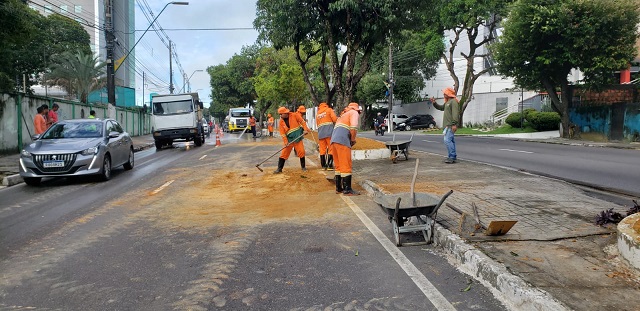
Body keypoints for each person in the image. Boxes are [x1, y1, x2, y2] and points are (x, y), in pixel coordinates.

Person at [330, 102, 362, 195]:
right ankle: (347, 189)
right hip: (342, 140)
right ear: (357, 109)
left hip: (334, 140)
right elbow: (353, 127)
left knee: (339, 165)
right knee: (346, 164)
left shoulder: (343, 115)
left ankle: (338, 188)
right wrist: (352, 139)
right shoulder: (353, 112)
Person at [274, 107, 310, 174]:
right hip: (289, 140)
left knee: (301, 151)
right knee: (284, 153)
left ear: (285, 113)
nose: (280, 116)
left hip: (297, 138)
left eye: (281, 114)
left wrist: (305, 129)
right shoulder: (281, 122)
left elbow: (303, 122)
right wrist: (286, 142)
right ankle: (279, 168)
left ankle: (303, 167)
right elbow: (282, 133)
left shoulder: (294, 115)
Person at [430, 87, 461, 163]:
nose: (444, 94)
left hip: (450, 125)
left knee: (447, 140)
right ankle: (453, 156)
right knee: (451, 141)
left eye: (445, 93)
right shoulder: (447, 102)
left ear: (448, 94)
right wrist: (434, 103)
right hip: (448, 126)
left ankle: (452, 157)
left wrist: (454, 124)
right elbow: (440, 108)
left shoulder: (453, 101)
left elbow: (455, 114)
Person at [316, 102, 337, 170]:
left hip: (321, 134)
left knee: (322, 149)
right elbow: (334, 119)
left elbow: (317, 124)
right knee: (331, 148)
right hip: (329, 132)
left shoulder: (318, 114)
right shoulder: (329, 110)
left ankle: (323, 165)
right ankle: (330, 165)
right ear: (326, 106)